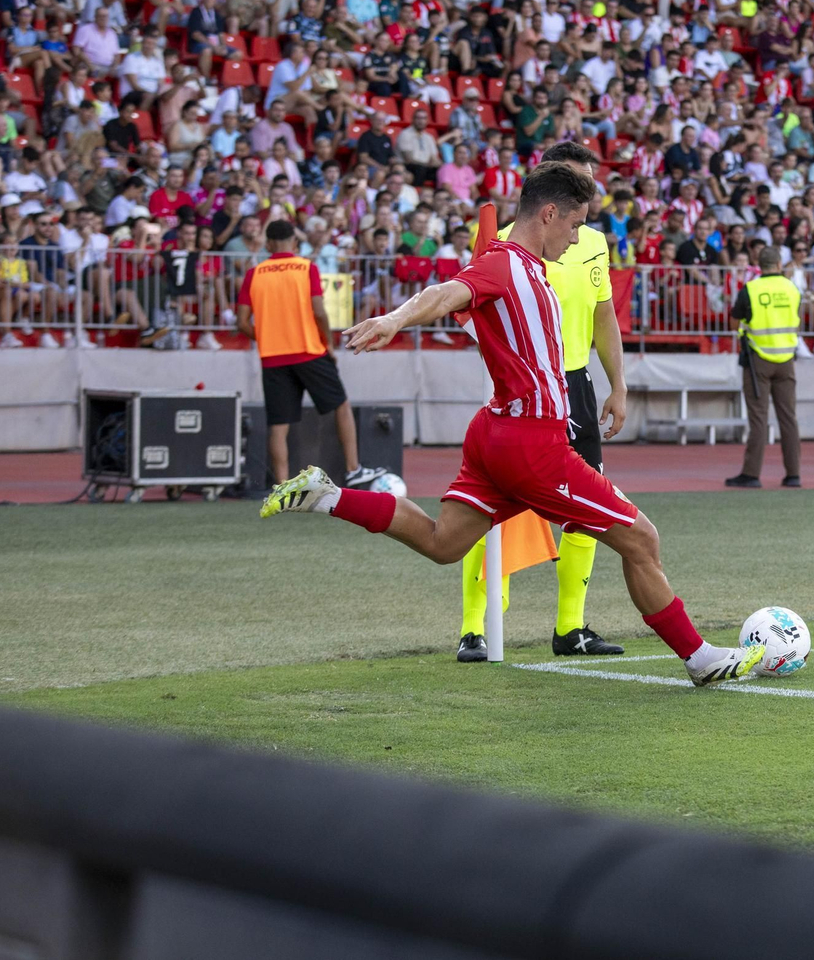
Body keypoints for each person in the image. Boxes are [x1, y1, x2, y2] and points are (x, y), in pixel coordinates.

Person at [261, 164, 762, 688]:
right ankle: (700, 658)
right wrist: (393, 320)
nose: (575, 239)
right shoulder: (504, 265)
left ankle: (325, 496)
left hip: (497, 432)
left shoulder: (523, 265)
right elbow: (444, 293)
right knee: (641, 539)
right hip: (532, 443)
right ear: (549, 214)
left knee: (441, 543)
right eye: (573, 226)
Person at [458, 142, 628, 662]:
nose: (586, 195)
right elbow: (472, 306)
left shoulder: (594, 241)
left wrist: (617, 384)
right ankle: (476, 627)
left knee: (589, 505)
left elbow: (603, 316)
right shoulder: (503, 240)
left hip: (574, 384)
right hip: (522, 386)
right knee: (490, 509)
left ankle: (571, 627)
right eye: (576, 183)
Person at [236, 219, 388, 485]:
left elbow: (241, 321)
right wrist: (327, 343)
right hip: (308, 351)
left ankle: (282, 488)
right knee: (341, 405)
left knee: (279, 426)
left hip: (273, 357)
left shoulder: (255, 272)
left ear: (269, 243)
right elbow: (318, 311)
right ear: (295, 242)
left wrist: (266, 338)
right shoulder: (306, 268)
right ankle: (353, 469)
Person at [725, 244, 803, 489]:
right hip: (787, 359)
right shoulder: (792, 288)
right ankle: (793, 475)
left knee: (758, 419)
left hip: (758, 358)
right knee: (788, 418)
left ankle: (751, 474)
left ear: (759, 265)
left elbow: (734, 321)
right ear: (779, 265)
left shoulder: (751, 288)